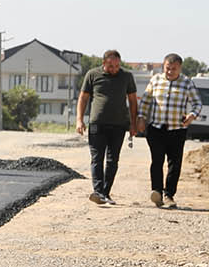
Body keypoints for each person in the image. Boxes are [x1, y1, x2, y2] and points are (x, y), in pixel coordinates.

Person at [75, 50, 140, 205]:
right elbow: (83, 97)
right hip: (97, 124)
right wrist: (79, 120)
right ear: (103, 63)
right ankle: (98, 192)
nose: (114, 69)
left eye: (117, 65)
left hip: (119, 125)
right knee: (97, 158)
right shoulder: (92, 74)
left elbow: (132, 101)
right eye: (110, 66)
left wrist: (133, 123)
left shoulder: (126, 77)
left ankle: (105, 192)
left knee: (113, 160)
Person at [138, 53, 201, 209]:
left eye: (174, 69)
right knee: (157, 161)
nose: (170, 72)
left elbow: (197, 103)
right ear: (163, 66)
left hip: (177, 130)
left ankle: (169, 194)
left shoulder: (187, 83)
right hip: (156, 128)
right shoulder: (156, 80)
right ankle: (157, 192)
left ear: (180, 68)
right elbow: (145, 101)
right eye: (167, 68)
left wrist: (192, 116)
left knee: (174, 163)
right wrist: (140, 118)